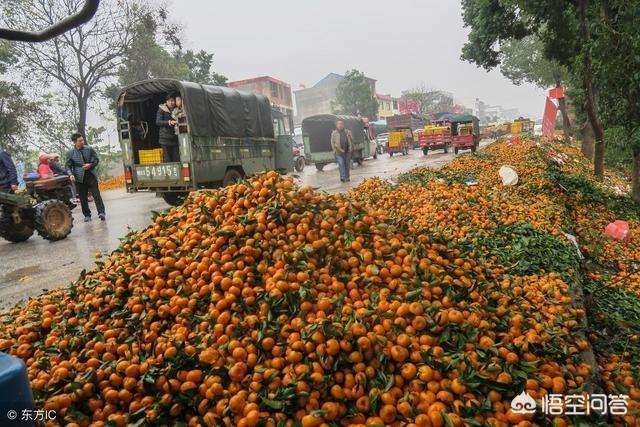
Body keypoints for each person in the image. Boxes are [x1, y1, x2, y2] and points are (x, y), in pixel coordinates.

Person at [66, 133, 105, 221]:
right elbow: (67, 166)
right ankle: (87, 215)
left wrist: (90, 165)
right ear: (74, 142)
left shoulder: (89, 149)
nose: (83, 142)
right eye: (80, 141)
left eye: (82, 140)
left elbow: (96, 160)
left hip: (91, 175)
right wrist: (70, 174)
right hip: (79, 178)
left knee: (96, 195)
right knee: (83, 198)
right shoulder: (70, 153)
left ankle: (101, 212)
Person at [156, 93, 179, 162]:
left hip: (175, 138)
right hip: (164, 139)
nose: (171, 103)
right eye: (169, 101)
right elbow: (158, 122)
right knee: (168, 160)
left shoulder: (177, 109)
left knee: (176, 159)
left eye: (172, 101)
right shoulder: (162, 109)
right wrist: (169, 122)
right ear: (166, 102)